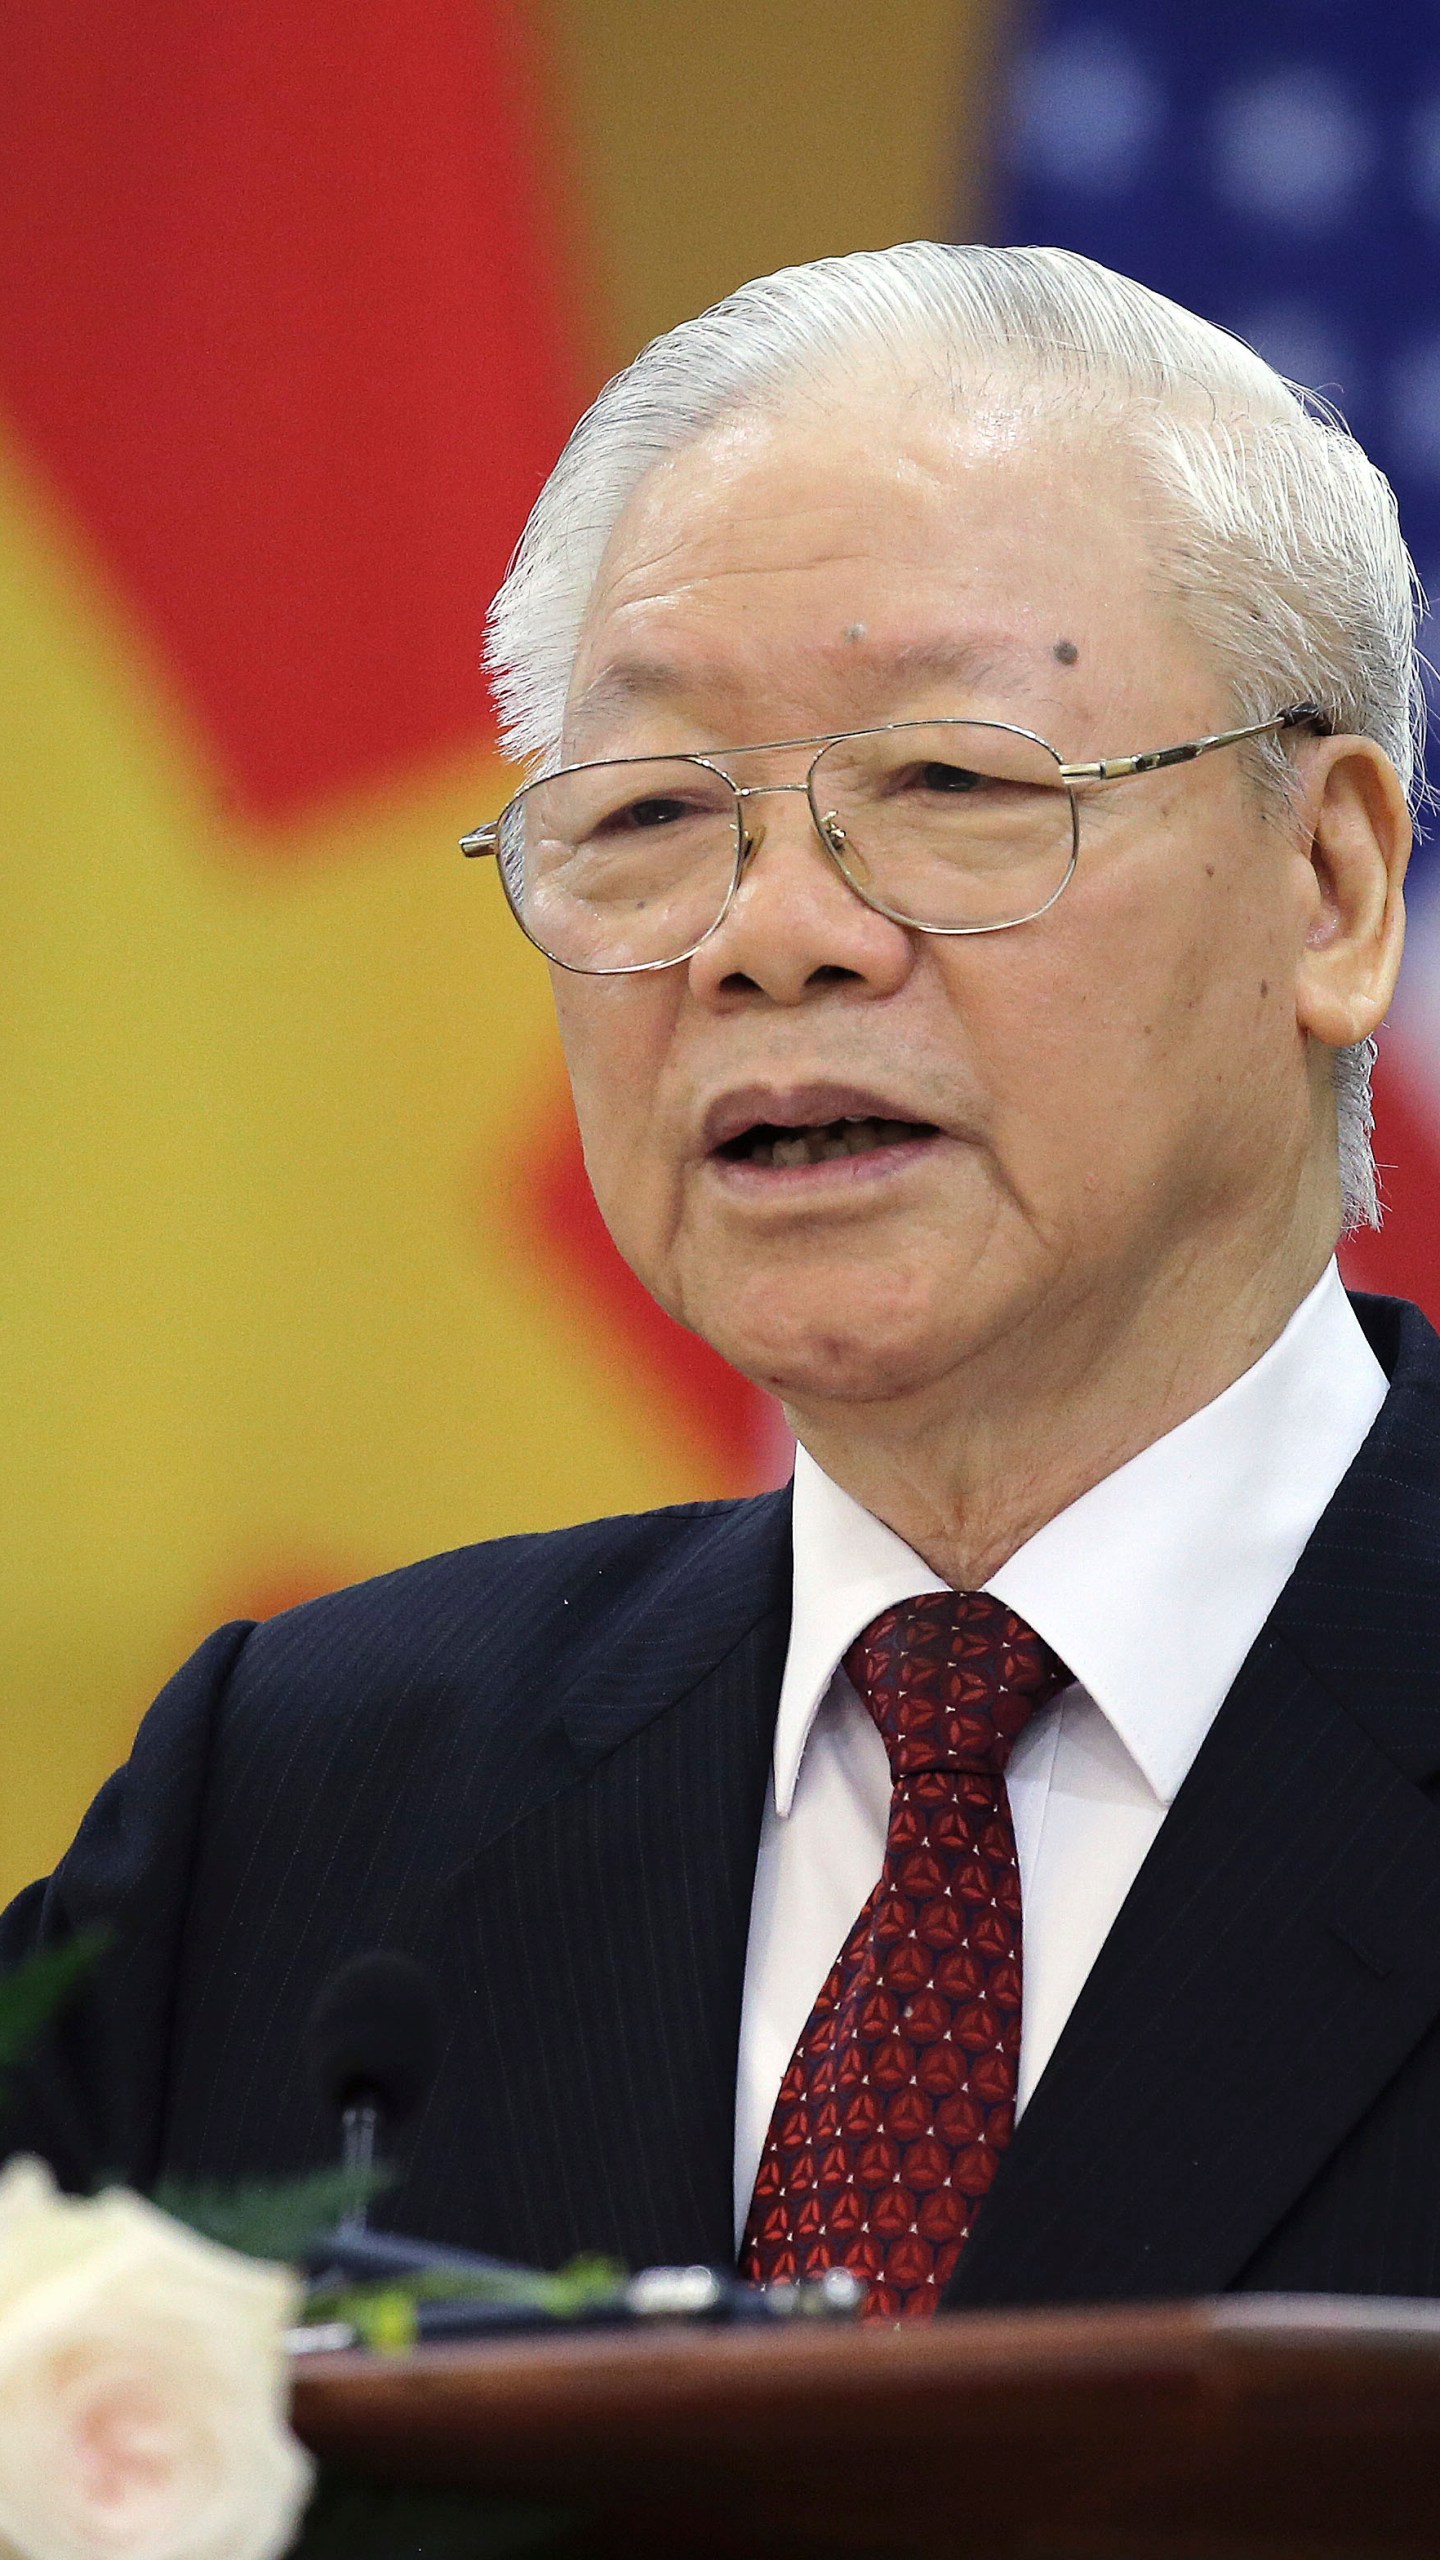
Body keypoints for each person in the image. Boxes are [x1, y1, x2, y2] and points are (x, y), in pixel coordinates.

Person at [3, 242, 1433, 2320]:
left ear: (1334, 887)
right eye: (655, 813)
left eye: (948, 784)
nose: (771, 935)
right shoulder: (295, 1798)